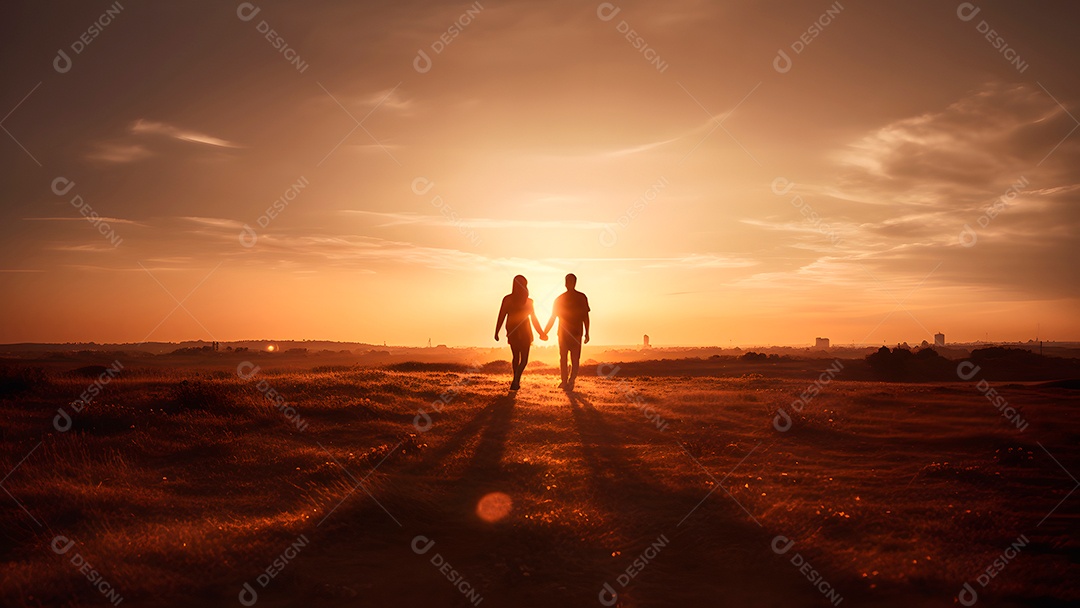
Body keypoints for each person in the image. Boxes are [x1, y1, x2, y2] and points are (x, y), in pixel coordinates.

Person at [494, 275, 547, 390]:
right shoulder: (528, 301)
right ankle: (516, 380)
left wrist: (497, 331)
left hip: (513, 330)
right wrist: (541, 333)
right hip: (524, 331)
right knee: (524, 359)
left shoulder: (508, 299)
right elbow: (534, 319)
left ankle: (515, 380)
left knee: (515, 357)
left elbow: (501, 316)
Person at [544, 273, 590, 390]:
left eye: (570, 281)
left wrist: (587, 333)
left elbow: (585, 317)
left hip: (575, 334)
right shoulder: (561, 299)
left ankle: (570, 381)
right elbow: (553, 317)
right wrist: (545, 332)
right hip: (565, 334)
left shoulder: (581, 297)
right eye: (568, 281)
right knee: (564, 358)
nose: (568, 284)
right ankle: (565, 381)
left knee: (574, 359)